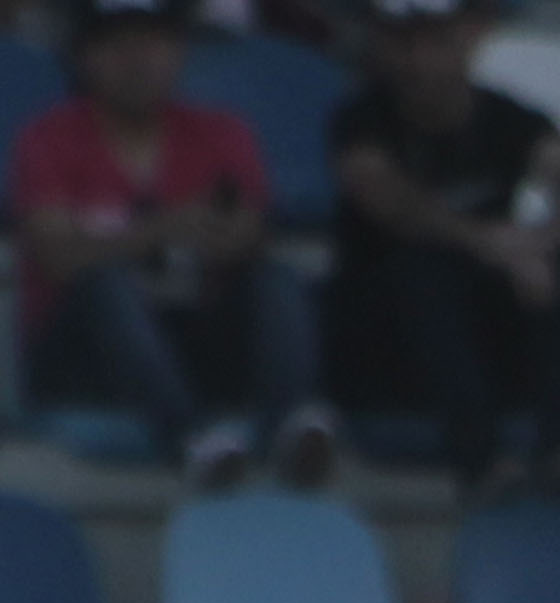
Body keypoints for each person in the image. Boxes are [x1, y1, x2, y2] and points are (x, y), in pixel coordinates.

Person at [12, 0, 327, 489]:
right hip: (84, 359)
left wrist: (229, 236)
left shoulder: (221, 133)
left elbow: (252, 230)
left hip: (190, 337)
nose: (138, 59)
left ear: (180, 51)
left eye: (154, 40)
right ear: (83, 55)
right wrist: (158, 231)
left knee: (276, 278)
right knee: (105, 284)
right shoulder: (48, 140)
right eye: (117, 43)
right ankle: (191, 439)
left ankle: (288, 426)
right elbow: (56, 257)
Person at [326, 0, 560, 501]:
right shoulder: (361, 122)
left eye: (435, 39)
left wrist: (542, 241)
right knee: (422, 267)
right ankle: (479, 462)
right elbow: (387, 199)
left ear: (469, 37)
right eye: (403, 40)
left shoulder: (515, 120)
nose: (419, 60)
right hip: (387, 347)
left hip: (483, 339)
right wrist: (490, 243)